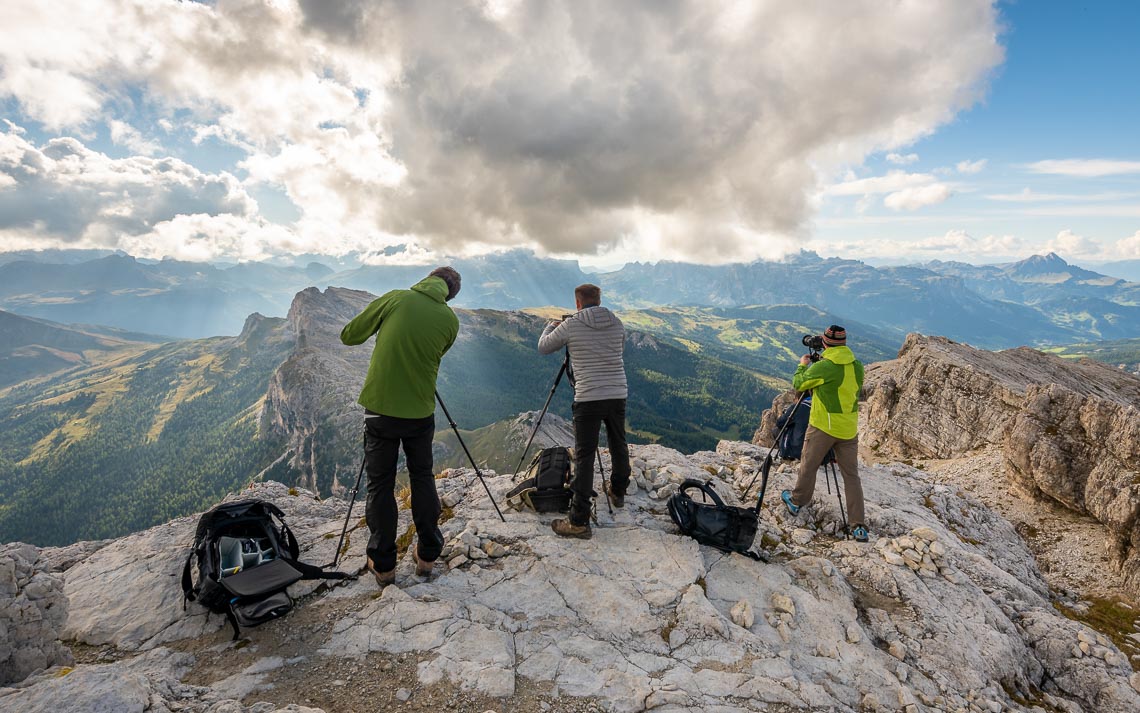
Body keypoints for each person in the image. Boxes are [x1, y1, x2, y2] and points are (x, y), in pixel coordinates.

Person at [340, 266, 461, 585]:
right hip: (420, 411)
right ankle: (428, 555)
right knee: (422, 476)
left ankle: (383, 565)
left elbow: (349, 335)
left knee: (381, 484)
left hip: (380, 408)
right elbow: (436, 354)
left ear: (428, 278)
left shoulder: (395, 299)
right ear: (449, 295)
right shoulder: (450, 320)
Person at [537, 283, 631, 539]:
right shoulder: (617, 322)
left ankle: (579, 521)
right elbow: (619, 349)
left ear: (578, 303)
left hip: (588, 396)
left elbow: (544, 347)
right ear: (599, 300)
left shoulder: (572, 325)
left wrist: (551, 325)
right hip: (617, 392)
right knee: (618, 442)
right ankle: (619, 492)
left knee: (585, 455)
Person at [780, 325, 869, 542]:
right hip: (848, 429)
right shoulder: (857, 365)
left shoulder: (825, 367)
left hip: (824, 426)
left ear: (825, 343)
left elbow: (798, 384)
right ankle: (858, 526)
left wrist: (803, 366)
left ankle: (797, 500)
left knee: (808, 464)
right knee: (851, 476)